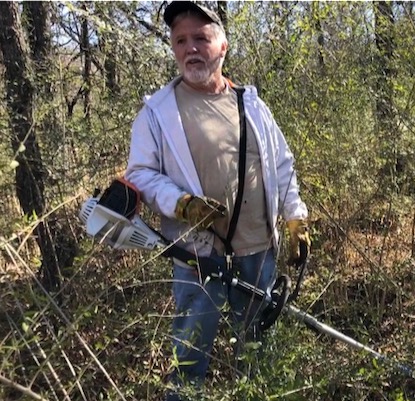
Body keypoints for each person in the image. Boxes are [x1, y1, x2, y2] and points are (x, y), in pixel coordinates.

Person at [124, 1, 310, 399]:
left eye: (201, 38)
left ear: (222, 46)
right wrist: (182, 204)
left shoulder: (252, 105)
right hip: (197, 255)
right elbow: (140, 174)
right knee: (190, 358)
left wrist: (296, 218)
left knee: (259, 353)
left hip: (257, 249)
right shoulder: (157, 114)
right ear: (173, 49)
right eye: (181, 40)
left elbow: (281, 165)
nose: (191, 48)